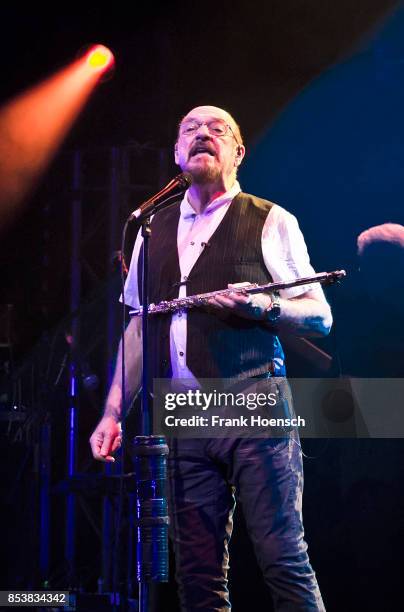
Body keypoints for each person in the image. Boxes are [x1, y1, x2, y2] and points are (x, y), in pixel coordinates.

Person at [90, 105, 332, 611]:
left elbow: (320, 316)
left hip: (253, 405)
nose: (203, 134)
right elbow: (139, 325)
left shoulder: (269, 219)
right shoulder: (150, 229)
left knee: (282, 559)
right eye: (190, 130)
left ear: (238, 153)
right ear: (177, 154)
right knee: (197, 578)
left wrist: (260, 305)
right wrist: (113, 412)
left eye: (217, 129)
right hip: (183, 416)